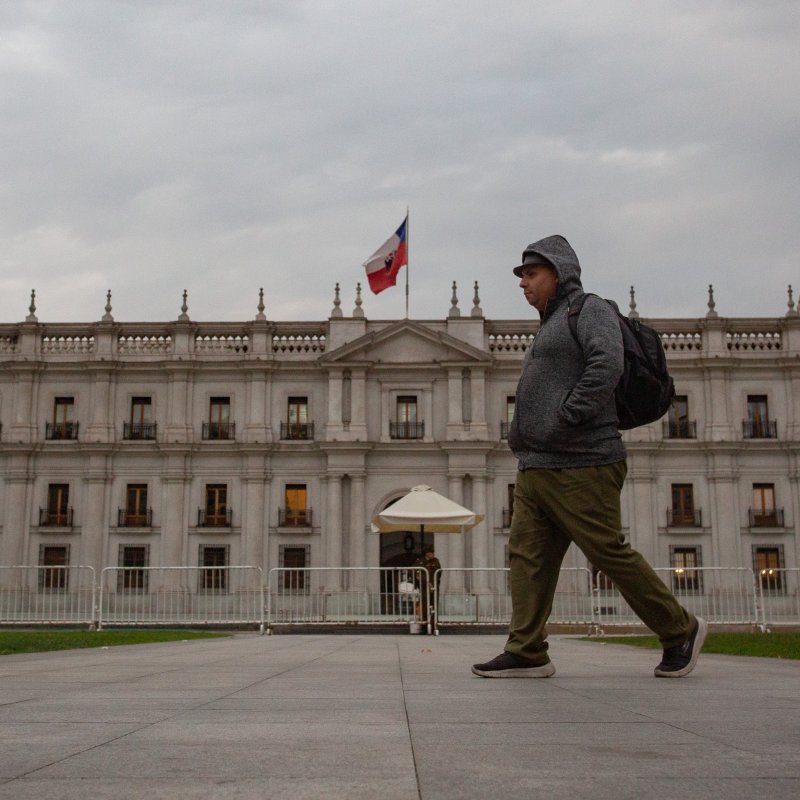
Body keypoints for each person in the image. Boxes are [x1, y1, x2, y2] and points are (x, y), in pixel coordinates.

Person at [472, 235, 707, 679]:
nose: (523, 282)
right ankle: (526, 650)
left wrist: (567, 417)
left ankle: (680, 629)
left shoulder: (588, 309)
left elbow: (607, 363)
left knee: (606, 551)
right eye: (521, 275)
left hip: (584, 459)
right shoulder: (549, 325)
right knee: (527, 558)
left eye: (531, 273)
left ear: (558, 272)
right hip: (538, 464)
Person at [414, 545, 442, 626]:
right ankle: (425, 622)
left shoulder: (435, 561)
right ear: (426, 553)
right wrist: (424, 582)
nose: (432, 554)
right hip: (424, 587)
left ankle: (434, 622)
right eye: (430, 553)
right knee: (425, 604)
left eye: (432, 552)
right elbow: (416, 573)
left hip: (434, 586)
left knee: (434, 604)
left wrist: (434, 582)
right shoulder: (419, 561)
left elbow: (439, 572)